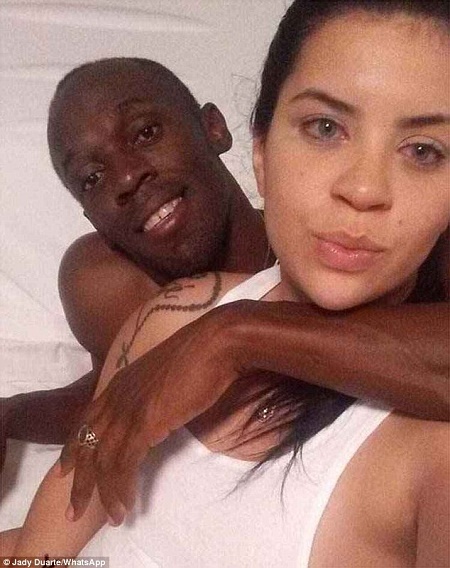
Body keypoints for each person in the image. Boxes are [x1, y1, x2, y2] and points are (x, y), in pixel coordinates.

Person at [2, 0, 449, 564]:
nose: (364, 189)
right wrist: (66, 429)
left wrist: (233, 337)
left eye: (423, 151)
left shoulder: (430, 458)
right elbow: (71, 494)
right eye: (325, 127)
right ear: (261, 150)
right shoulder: (173, 313)